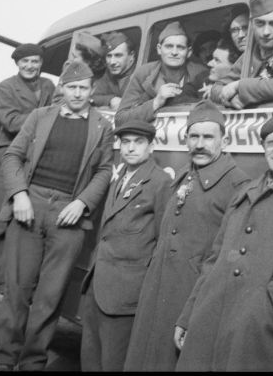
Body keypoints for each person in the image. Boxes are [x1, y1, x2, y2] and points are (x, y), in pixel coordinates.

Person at [174, 114, 273, 371]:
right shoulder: (244, 192)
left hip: (260, 333)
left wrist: (268, 309)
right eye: (271, 143)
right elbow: (214, 258)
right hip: (209, 320)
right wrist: (188, 316)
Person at [0, 61, 113, 372]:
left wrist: (84, 203)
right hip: (29, 206)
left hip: (69, 214)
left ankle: (33, 362)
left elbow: (104, 170)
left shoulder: (102, 126)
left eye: (83, 88)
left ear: (92, 90)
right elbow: (12, 156)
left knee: (51, 295)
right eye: (71, 87)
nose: (77, 93)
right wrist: (19, 194)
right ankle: (4, 361)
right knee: (17, 290)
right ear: (62, 88)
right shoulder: (39, 116)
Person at [123, 101, 250, 372]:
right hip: (156, 293)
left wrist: (195, 314)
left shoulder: (238, 185)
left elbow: (224, 259)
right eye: (194, 136)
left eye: (208, 137)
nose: (200, 144)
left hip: (190, 298)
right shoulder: (184, 175)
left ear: (224, 140)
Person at [80, 118, 173, 371]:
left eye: (139, 142)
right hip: (97, 284)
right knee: (90, 358)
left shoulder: (159, 182)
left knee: (113, 362)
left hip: (125, 293)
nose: (131, 148)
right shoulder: (120, 174)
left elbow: (162, 242)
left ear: (151, 147)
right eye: (126, 142)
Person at [0, 43, 55, 290]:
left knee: (23, 223)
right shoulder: (4, 87)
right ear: (17, 63)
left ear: (41, 63)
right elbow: (11, 122)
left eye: (35, 61)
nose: (30, 66)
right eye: (25, 62)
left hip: (33, 161)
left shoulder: (48, 86)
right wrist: (45, 117)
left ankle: (16, 280)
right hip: (6, 159)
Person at [115, 21, 208, 123]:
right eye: (169, 46)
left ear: (189, 52)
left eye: (180, 47)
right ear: (159, 49)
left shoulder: (200, 73)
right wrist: (156, 102)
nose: (174, 52)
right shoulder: (144, 73)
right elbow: (120, 119)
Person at [90, 31, 136, 110]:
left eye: (118, 55)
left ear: (131, 56)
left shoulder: (142, 73)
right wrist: (111, 99)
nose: (112, 62)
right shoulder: (107, 74)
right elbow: (91, 95)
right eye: (109, 56)